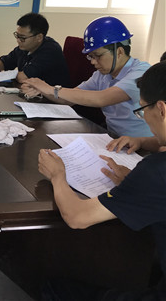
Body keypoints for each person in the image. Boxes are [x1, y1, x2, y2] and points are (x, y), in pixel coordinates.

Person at [38, 61, 166, 300]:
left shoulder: (156, 171)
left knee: (56, 288)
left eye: (141, 110)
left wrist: (57, 175)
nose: (143, 119)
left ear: (161, 109)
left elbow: (77, 217)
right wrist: (143, 142)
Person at [23, 16, 151, 138]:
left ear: (119, 52)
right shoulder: (102, 75)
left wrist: (51, 89)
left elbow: (102, 98)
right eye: (91, 56)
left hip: (143, 146)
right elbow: (69, 99)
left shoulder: (141, 72)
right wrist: (42, 90)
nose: (93, 62)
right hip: (113, 139)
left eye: (97, 56)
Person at [0, 12, 70, 86]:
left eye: (22, 37)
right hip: (31, 94)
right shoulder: (25, 47)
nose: (18, 40)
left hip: (51, 100)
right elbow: (5, 62)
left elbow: (23, 78)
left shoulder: (50, 51)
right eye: (17, 35)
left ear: (39, 37)